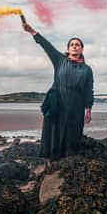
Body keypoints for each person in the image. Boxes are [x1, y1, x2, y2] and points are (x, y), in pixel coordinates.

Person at [23, 21, 94, 160]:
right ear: (68, 48)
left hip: (76, 104)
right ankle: (51, 160)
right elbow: (46, 46)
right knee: (54, 130)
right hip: (58, 101)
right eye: (72, 44)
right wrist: (32, 31)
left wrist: (89, 109)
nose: (75, 46)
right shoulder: (60, 60)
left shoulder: (87, 69)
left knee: (72, 132)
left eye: (77, 45)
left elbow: (89, 89)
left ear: (81, 50)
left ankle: (69, 160)